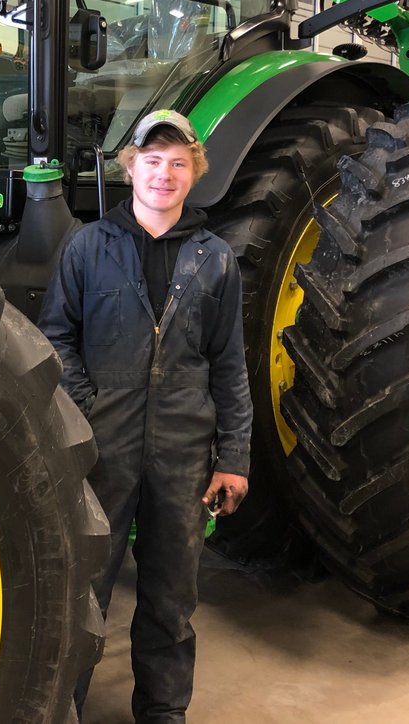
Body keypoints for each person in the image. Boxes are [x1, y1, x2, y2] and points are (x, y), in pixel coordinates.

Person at [38, 108, 253, 723]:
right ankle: (64, 707)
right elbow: (56, 339)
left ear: (194, 174)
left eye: (178, 164)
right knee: (84, 590)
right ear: (131, 168)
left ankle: (163, 711)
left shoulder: (216, 260)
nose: (164, 174)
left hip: (184, 456)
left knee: (170, 598)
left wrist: (233, 458)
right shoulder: (87, 247)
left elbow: (230, 365)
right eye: (153, 161)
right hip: (104, 451)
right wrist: (87, 412)